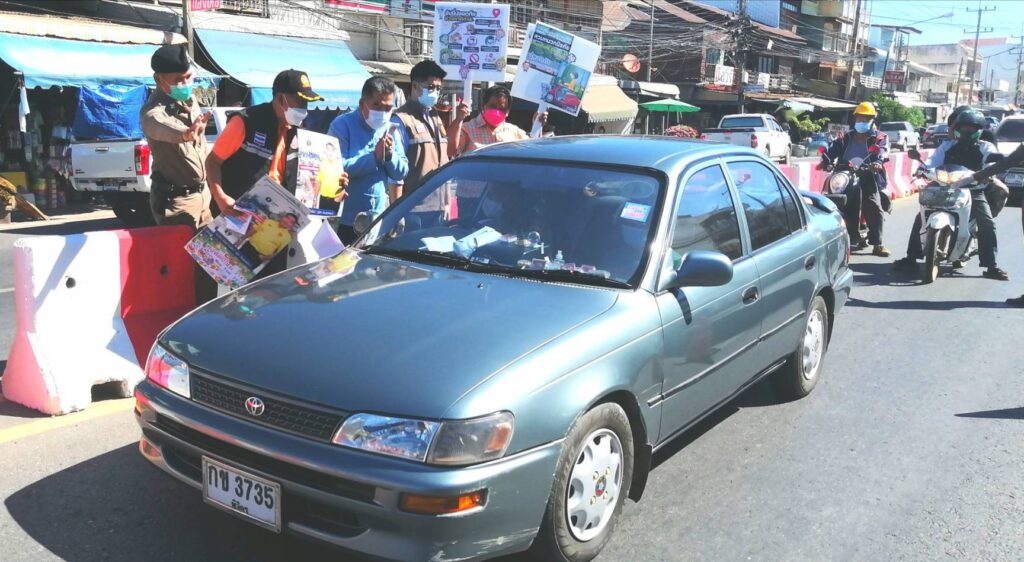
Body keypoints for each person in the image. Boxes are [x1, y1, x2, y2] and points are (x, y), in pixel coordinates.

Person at [206, 69, 346, 277]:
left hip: (279, 227)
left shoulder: (300, 133)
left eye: (307, 104)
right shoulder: (246, 122)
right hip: (238, 218)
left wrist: (335, 187)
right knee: (230, 281)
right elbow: (212, 161)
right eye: (300, 102)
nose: (304, 109)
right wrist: (220, 197)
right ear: (281, 99)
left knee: (271, 284)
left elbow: (310, 181)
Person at [893, 109, 1007, 280]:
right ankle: (911, 258)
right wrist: (923, 168)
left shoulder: (986, 147)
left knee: (987, 222)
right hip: (944, 186)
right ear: (958, 128)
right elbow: (933, 161)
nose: (967, 130)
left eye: (971, 127)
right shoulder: (948, 145)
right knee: (921, 217)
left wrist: (987, 173)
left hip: (973, 189)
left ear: (979, 129)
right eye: (964, 127)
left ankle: (992, 266)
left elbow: (990, 163)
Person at [327, 77, 410, 245]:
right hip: (346, 221)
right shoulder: (342, 125)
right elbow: (336, 166)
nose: (382, 113)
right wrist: (374, 158)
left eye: (388, 108)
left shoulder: (390, 128)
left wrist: (389, 156)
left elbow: (402, 171)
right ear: (362, 104)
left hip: (377, 219)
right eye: (377, 106)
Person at [140, 44, 213, 230]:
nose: (185, 84)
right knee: (179, 249)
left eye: (188, 77)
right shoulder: (153, 112)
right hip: (177, 201)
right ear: (159, 79)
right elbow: (164, 129)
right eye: (178, 80)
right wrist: (186, 134)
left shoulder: (190, 101)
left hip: (204, 196)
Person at [818, 101, 891, 256]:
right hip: (844, 175)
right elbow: (833, 150)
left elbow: (882, 151)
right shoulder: (846, 137)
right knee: (827, 199)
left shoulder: (879, 137)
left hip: (867, 175)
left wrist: (877, 163)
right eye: (859, 118)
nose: (861, 122)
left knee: (873, 206)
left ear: (872, 120)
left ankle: (877, 244)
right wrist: (825, 161)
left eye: (865, 119)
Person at [392, 61, 452, 230]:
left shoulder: (435, 117)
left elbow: (444, 161)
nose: (435, 92)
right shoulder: (401, 120)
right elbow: (395, 173)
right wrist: (396, 213)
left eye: (438, 88)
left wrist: (447, 202)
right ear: (415, 86)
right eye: (431, 87)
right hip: (413, 208)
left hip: (439, 208)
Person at [448, 85, 545, 158]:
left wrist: (537, 125)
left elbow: (534, 151)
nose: (497, 112)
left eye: (502, 109)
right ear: (483, 106)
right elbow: (451, 151)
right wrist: (458, 120)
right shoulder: (467, 129)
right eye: (493, 107)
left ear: (508, 112)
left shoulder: (514, 131)